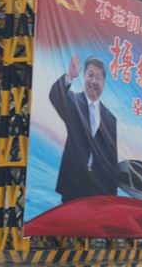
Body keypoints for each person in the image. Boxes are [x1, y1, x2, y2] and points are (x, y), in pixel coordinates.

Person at [49, 55, 118, 203]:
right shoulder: (73, 101)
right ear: (84, 76)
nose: (93, 81)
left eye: (98, 77)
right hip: (73, 184)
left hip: (99, 189)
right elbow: (55, 95)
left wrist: (112, 199)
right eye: (90, 75)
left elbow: (112, 159)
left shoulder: (110, 119)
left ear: (104, 82)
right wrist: (69, 76)